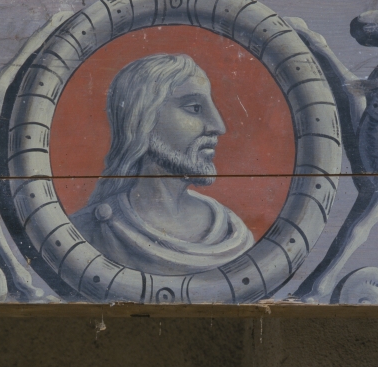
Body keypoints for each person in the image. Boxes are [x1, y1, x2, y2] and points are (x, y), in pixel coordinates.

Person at [71, 53, 254, 273]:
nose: (218, 126)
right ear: (142, 121)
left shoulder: (231, 231)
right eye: (195, 108)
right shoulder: (85, 233)